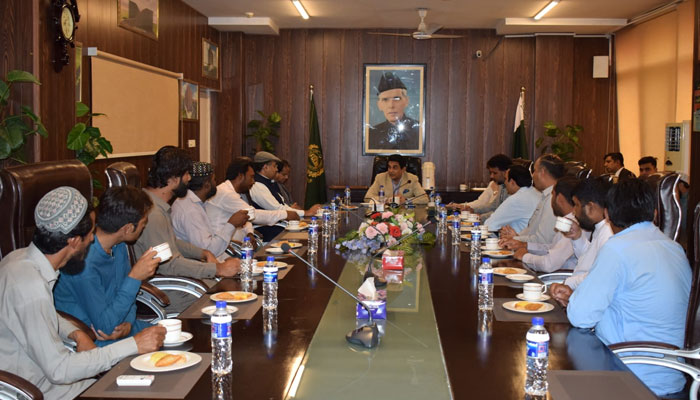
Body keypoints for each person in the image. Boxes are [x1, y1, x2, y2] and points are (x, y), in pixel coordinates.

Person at [0, 187, 165, 399]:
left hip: (52, 379)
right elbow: (60, 370)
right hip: (37, 389)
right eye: (90, 234)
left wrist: (75, 333)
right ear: (74, 241)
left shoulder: (19, 260)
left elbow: (44, 316)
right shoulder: (31, 288)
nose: (93, 240)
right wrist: (133, 345)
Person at [567, 179, 691, 397]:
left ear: (607, 215)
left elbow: (579, 316)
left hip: (631, 375)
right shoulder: (675, 248)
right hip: (675, 376)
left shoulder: (617, 249)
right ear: (653, 213)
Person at [134, 146, 240, 311]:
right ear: (174, 179)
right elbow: (170, 265)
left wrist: (202, 253)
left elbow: (171, 243)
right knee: (225, 299)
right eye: (186, 174)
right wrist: (217, 269)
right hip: (162, 288)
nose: (189, 179)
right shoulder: (152, 213)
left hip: (170, 278)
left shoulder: (156, 204)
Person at [54, 186, 161, 347]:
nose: (144, 227)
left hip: (125, 328)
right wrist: (135, 277)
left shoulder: (119, 246)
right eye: (143, 223)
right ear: (127, 229)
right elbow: (105, 327)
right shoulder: (83, 262)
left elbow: (127, 298)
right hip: (97, 340)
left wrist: (129, 323)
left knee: (177, 338)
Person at [550, 177, 613, 305]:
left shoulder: (609, 233)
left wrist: (567, 283)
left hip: (586, 297)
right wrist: (577, 236)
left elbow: (597, 277)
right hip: (579, 289)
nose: (574, 211)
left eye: (577, 205)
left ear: (590, 207)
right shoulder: (600, 227)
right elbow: (588, 261)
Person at [207, 157, 300, 243]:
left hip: (240, 244)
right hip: (226, 249)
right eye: (251, 177)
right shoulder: (226, 194)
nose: (253, 181)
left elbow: (246, 217)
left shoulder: (234, 192)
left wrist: (249, 232)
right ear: (240, 176)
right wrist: (285, 214)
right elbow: (253, 214)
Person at [172, 162, 250, 258]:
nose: (216, 183)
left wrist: (227, 240)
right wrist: (232, 224)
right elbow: (208, 251)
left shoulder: (192, 202)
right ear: (207, 185)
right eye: (214, 180)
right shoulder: (190, 210)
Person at [513, 176, 583, 273]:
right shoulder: (569, 219)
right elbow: (552, 248)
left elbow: (549, 264)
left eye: (552, 195)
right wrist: (525, 245)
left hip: (561, 279)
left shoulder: (572, 225)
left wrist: (524, 256)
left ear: (559, 198)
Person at [500, 154, 564, 246]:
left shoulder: (553, 199)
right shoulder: (546, 195)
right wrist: (516, 236)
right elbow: (532, 230)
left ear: (542, 172)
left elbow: (542, 241)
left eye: (534, 171)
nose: (533, 176)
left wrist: (515, 239)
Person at [249, 151, 320, 218]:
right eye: (274, 166)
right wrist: (306, 213)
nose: (276, 169)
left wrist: (302, 212)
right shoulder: (257, 185)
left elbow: (282, 205)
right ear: (265, 167)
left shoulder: (269, 182)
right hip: (267, 227)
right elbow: (277, 209)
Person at [367, 72, 420, 151]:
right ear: (379, 105)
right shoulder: (371, 134)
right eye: (385, 100)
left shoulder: (419, 130)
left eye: (396, 99)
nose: (391, 105)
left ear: (406, 101)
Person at [451, 154, 511, 218]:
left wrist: (480, 217)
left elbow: (502, 213)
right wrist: (473, 210)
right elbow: (494, 205)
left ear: (506, 172)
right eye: (490, 173)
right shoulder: (502, 185)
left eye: (495, 173)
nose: (491, 176)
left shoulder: (513, 188)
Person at [484, 165, 540, 232]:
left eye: (506, 179)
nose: (504, 183)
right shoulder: (537, 193)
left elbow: (489, 226)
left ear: (512, 182)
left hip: (520, 240)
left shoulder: (517, 199)